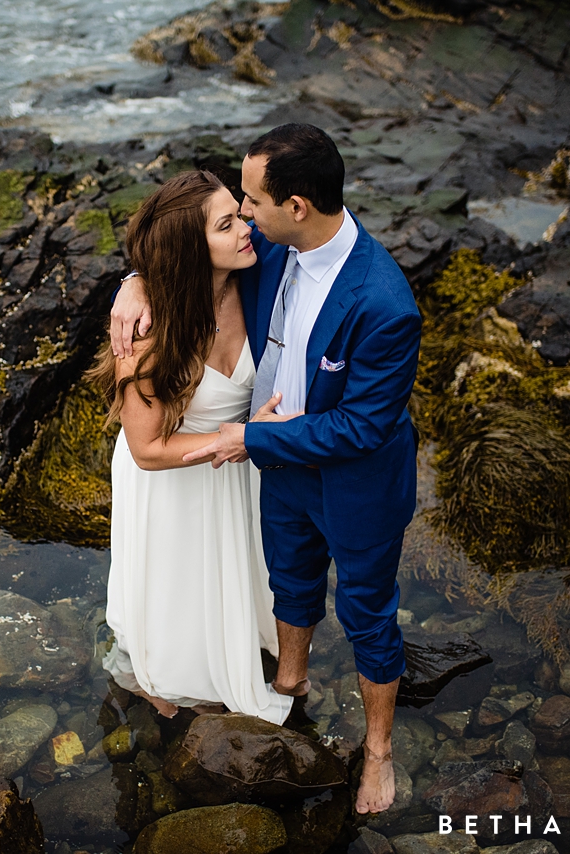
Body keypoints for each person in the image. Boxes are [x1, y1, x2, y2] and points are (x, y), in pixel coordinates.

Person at [110, 124, 422, 814]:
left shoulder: (384, 302)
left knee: (368, 614)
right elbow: (180, 248)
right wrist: (133, 283)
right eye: (240, 205)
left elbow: (366, 426)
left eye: (252, 201)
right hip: (275, 470)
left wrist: (247, 435)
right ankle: (290, 684)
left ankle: (378, 753)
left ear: (297, 206)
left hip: (354, 481)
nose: (246, 214)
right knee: (289, 579)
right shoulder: (270, 255)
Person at [89, 169, 295, 725]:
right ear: (190, 251)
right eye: (227, 224)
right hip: (175, 472)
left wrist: (251, 441)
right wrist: (238, 439)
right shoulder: (150, 333)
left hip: (240, 462)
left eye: (239, 211)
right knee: (180, 586)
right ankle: (170, 674)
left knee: (242, 571)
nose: (247, 226)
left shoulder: (253, 275)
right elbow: (147, 449)